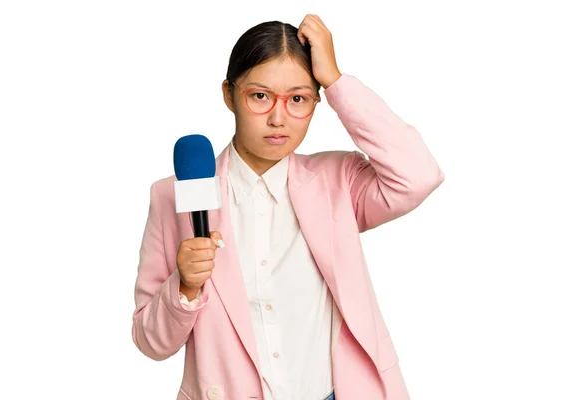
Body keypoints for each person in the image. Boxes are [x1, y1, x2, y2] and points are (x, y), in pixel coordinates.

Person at [132, 14, 444, 400]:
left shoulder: (338, 181)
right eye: (260, 96)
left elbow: (419, 174)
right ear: (230, 95)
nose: (278, 119)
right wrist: (185, 287)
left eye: (298, 99)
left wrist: (336, 81)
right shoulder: (172, 197)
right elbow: (150, 342)